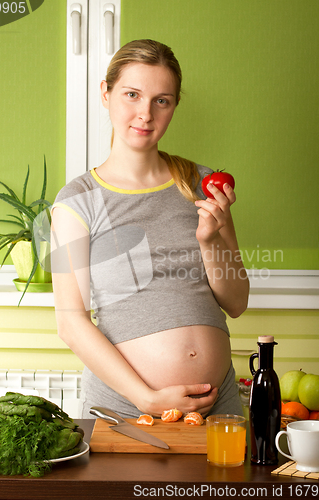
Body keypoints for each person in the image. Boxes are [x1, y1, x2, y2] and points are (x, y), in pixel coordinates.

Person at [50, 39, 249, 419]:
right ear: (106, 94)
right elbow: (70, 322)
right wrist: (146, 397)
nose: (145, 113)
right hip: (127, 408)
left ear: (173, 106)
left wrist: (210, 242)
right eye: (132, 94)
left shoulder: (202, 183)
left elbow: (236, 302)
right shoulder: (77, 200)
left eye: (162, 100)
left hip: (217, 404)